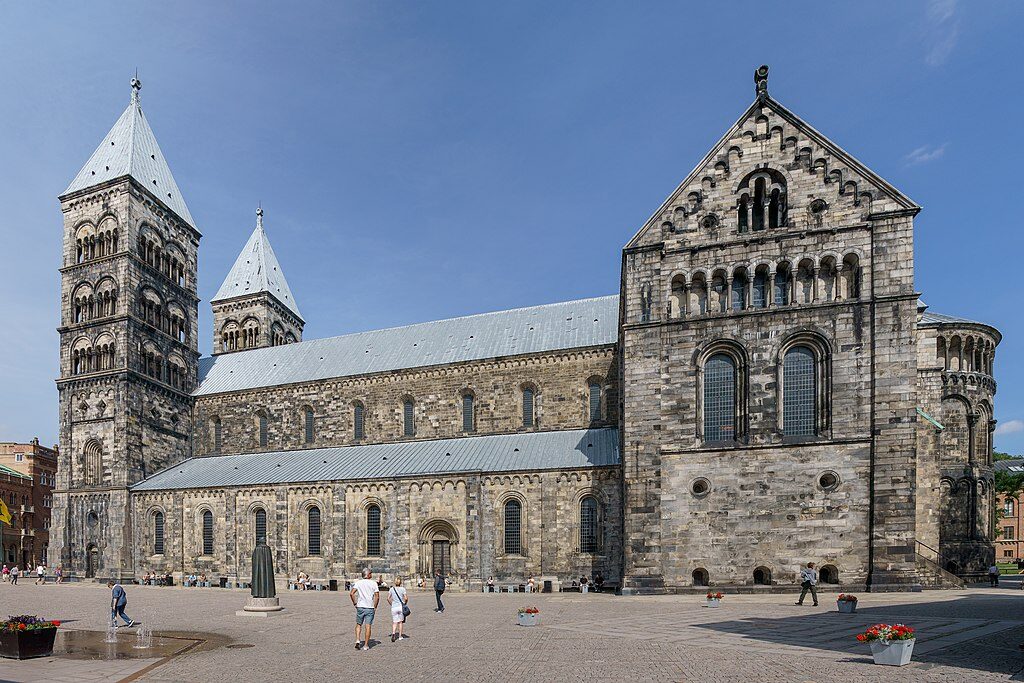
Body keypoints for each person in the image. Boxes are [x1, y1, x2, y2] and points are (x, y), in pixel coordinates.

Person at [350, 567, 379, 651]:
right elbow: (377, 596)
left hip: (360, 606)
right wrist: (375, 606)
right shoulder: (373, 583)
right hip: (369, 607)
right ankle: (366, 645)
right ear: (368, 575)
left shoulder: (358, 583)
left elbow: (351, 593)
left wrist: (355, 603)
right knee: (368, 625)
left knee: (359, 624)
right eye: (371, 573)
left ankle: (358, 640)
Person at [387, 576, 410, 642]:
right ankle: (400, 636)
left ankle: (393, 633)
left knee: (394, 622)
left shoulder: (391, 589)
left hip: (394, 607)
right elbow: (406, 598)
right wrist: (405, 603)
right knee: (400, 622)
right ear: (400, 582)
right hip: (400, 607)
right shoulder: (403, 589)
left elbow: (388, 598)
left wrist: (391, 604)